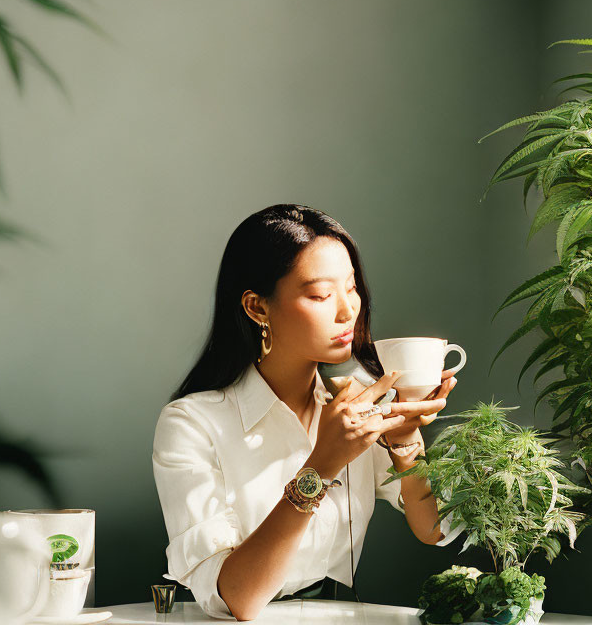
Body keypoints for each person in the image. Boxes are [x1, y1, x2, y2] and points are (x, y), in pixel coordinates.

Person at [152, 204, 464, 621]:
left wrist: (406, 442)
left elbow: (434, 529)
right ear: (257, 308)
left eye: (351, 287)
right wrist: (324, 462)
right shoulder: (191, 425)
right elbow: (237, 600)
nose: (347, 310)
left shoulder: (355, 409)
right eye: (320, 295)